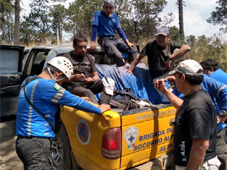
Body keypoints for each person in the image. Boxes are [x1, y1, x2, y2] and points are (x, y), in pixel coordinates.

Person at [16, 57, 110, 170]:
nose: (60, 84)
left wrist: (73, 98)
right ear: (57, 74)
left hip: (25, 142)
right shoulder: (47, 86)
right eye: (62, 81)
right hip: (37, 144)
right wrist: (99, 109)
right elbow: (75, 102)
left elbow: (48, 99)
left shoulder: (29, 81)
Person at [154, 59, 220, 170]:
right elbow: (184, 107)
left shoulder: (197, 105)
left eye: (176, 77)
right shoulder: (196, 97)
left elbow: (201, 146)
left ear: (183, 78)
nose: (174, 81)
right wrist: (165, 91)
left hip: (198, 165)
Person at [63, 35, 114, 104]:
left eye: (85, 47)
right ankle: (98, 111)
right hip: (72, 86)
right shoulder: (66, 58)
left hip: (87, 85)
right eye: (80, 47)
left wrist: (92, 79)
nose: (83, 49)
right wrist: (73, 78)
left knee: (109, 82)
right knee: (87, 92)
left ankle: (104, 105)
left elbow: (96, 76)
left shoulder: (89, 57)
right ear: (74, 46)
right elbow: (59, 79)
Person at [126, 27, 191, 80]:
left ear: (168, 38)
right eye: (158, 37)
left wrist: (171, 58)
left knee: (178, 50)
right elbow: (138, 57)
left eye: (163, 37)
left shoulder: (171, 45)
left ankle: (178, 74)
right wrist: (130, 70)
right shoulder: (150, 45)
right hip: (157, 77)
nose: (160, 39)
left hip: (169, 73)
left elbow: (187, 47)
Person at [90, 0, 138, 67]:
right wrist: (92, 42)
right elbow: (95, 28)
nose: (108, 9)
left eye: (110, 8)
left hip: (114, 39)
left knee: (133, 49)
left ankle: (137, 67)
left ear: (113, 8)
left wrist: (128, 42)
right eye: (106, 7)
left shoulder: (115, 17)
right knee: (118, 55)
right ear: (103, 7)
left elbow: (119, 30)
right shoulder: (98, 14)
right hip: (104, 39)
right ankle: (123, 71)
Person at [200, 59, 227, 170]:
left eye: (203, 71)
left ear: (210, 69)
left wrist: (223, 114)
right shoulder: (224, 75)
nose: (202, 74)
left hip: (219, 122)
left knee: (221, 155)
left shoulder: (212, 77)